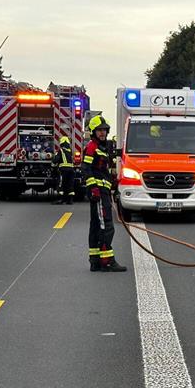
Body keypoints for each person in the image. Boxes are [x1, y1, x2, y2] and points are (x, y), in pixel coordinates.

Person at [83, 116, 127, 272]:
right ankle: (106, 261)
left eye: (104, 130)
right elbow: (86, 168)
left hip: (103, 192)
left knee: (96, 226)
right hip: (99, 193)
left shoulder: (102, 148)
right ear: (93, 132)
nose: (102, 133)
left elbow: (104, 171)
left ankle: (95, 261)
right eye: (99, 130)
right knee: (106, 226)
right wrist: (93, 187)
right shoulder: (92, 147)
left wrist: (113, 187)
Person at [51, 136, 75, 204]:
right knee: (70, 185)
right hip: (71, 170)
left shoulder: (60, 151)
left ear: (61, 143)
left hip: (63, 170)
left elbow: (56, 160)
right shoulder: (70, 151)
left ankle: (60, 199)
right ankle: (70, 200)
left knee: (61, 184)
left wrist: (53, 165)